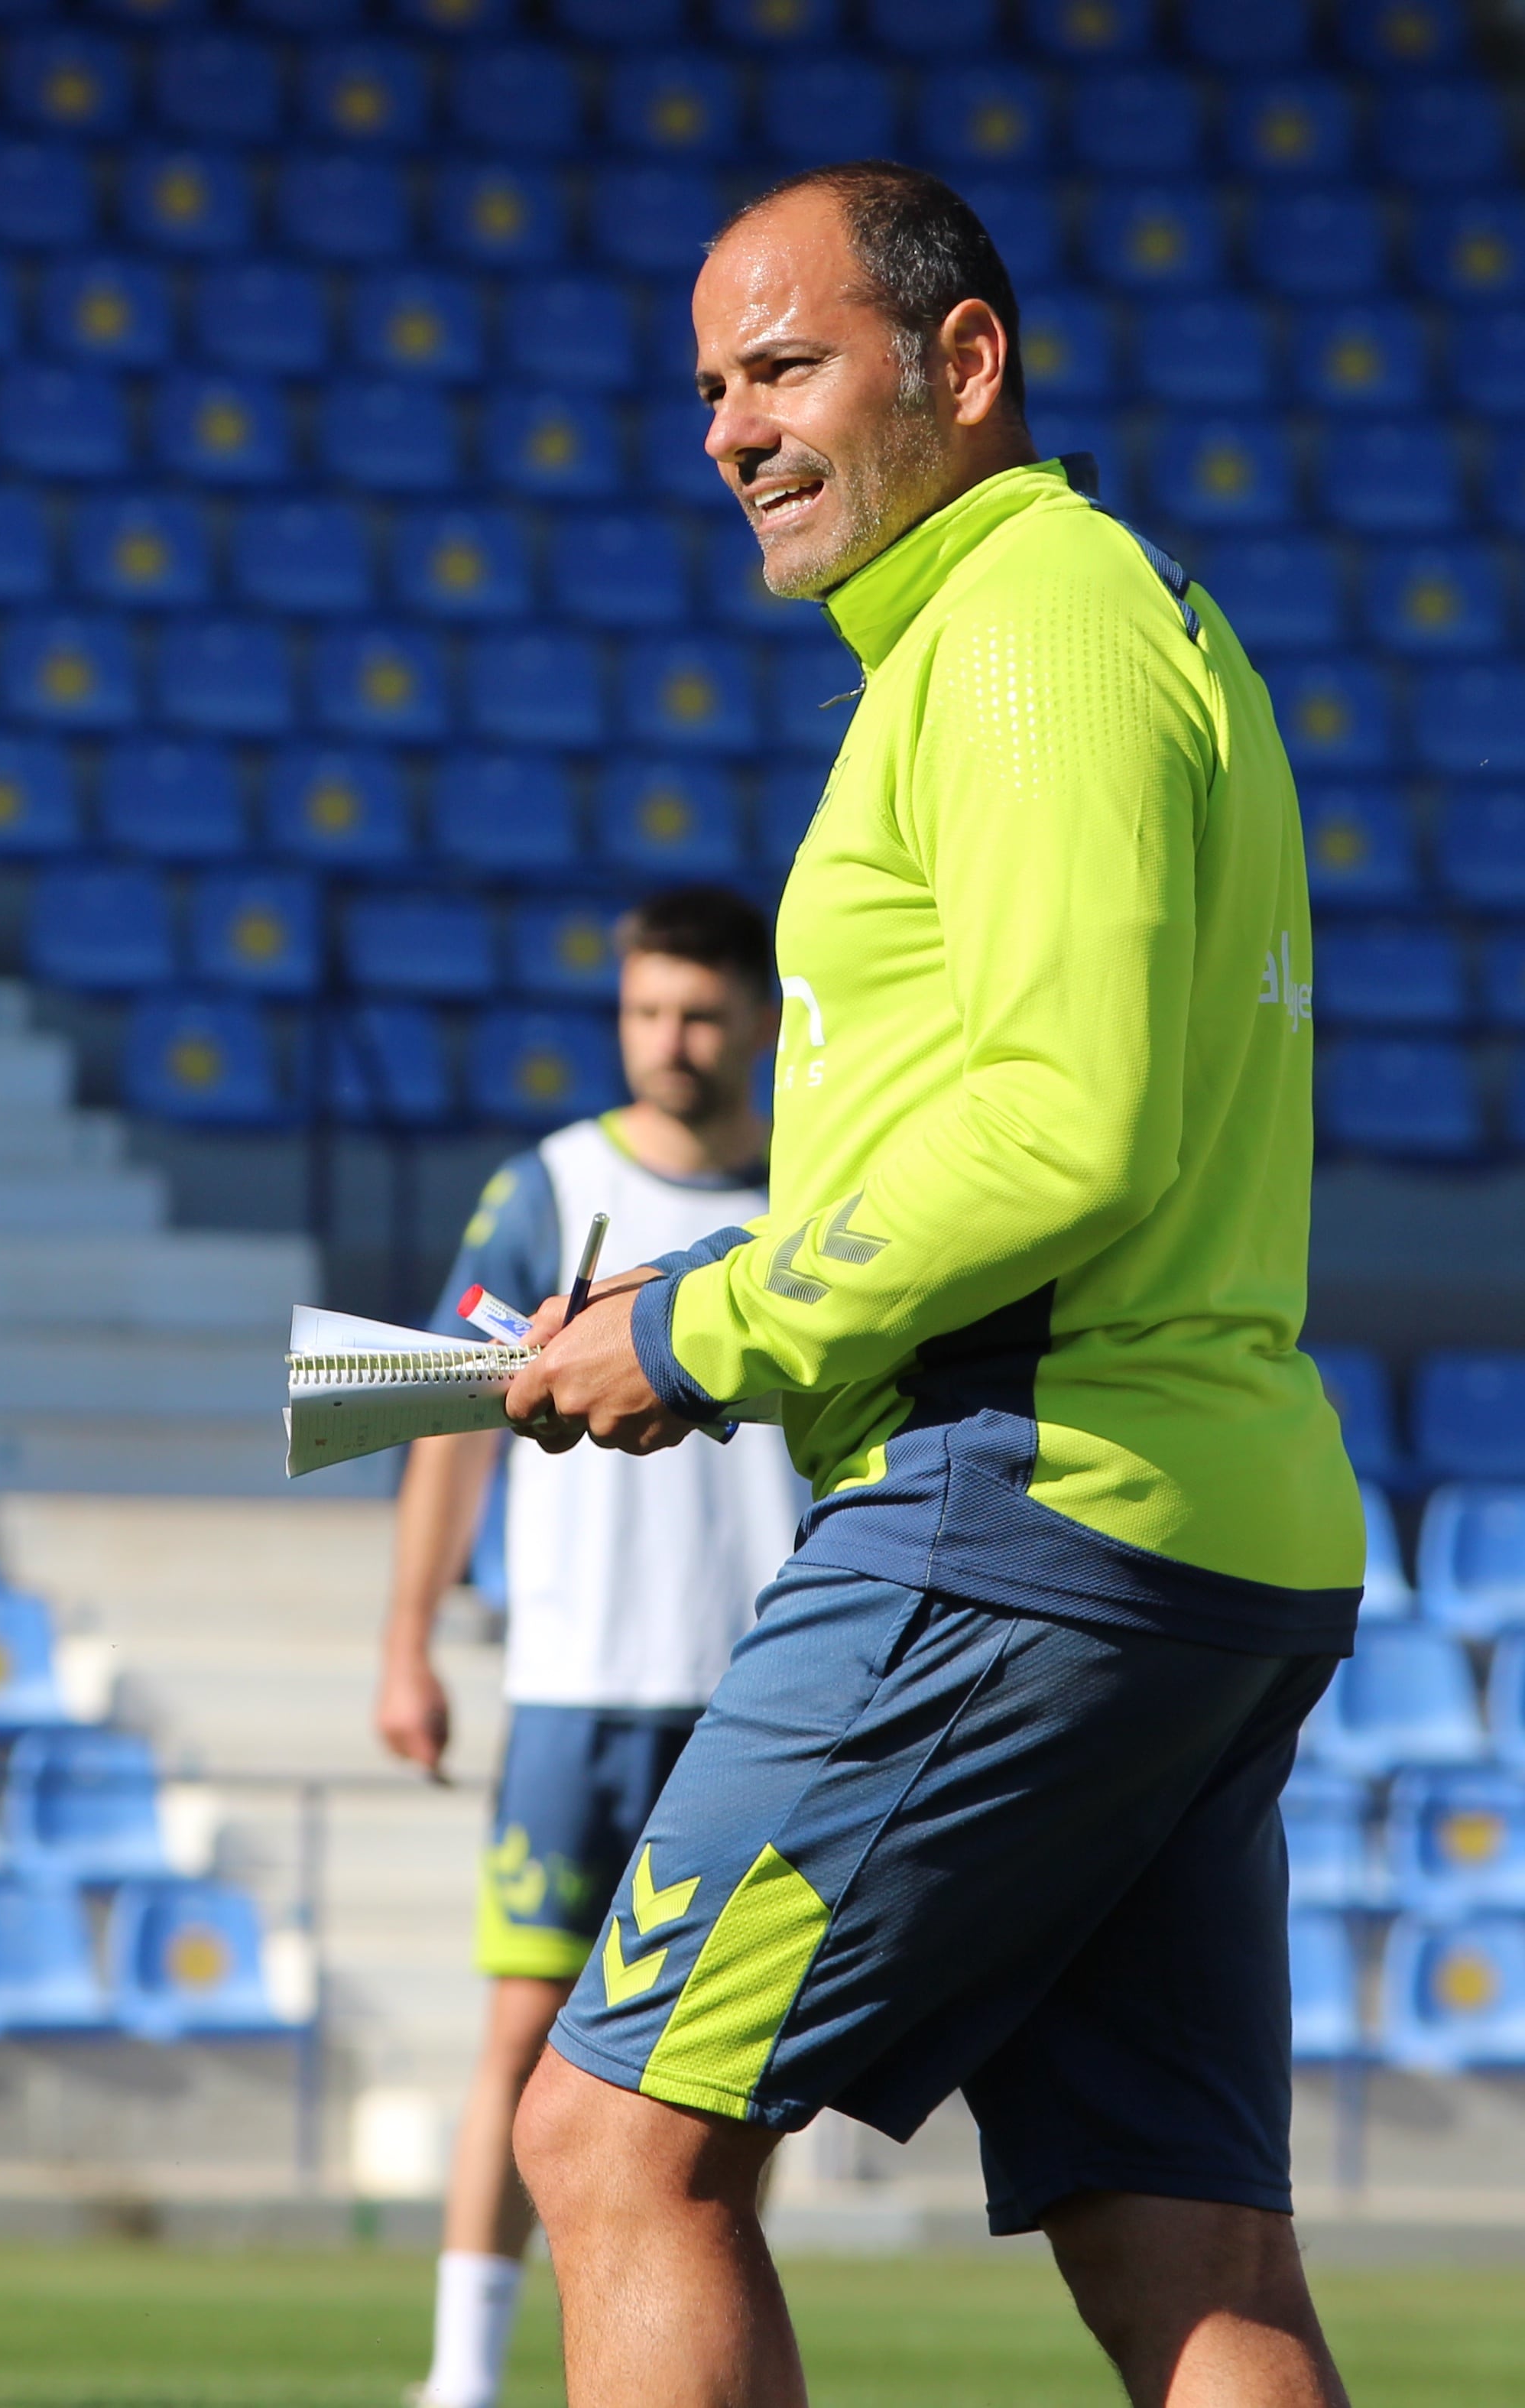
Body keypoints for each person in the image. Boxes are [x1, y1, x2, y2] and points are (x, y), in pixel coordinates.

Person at [500, 162, 1364, 2408]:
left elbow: (1058, 1122)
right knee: (1187, 2255)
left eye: (779, 366)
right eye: (705, 385)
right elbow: (1041, 1117)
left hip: (1022, 1507)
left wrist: (703, 1326)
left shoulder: (1017, 629)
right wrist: (719, 1290)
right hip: (1182, 1522)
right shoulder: (1098, 617)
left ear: (961, 364)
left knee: (606, 2139)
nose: (726, 428)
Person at [378, 890, 806, 2408]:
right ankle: (460, 2376)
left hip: (758, 1698)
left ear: (761, 1019)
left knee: (712, 2092)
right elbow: (445, 1415)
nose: (670, 1043)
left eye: (699, 1014)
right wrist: (409, 1642)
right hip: (572, 1689)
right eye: (645, 1012)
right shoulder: (549, 1187)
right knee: (520, 2039)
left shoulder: (820, 1200)